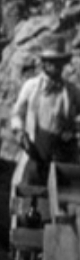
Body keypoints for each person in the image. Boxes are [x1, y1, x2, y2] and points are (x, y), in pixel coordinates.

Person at [9, 34, 80, 228]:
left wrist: (73, 130)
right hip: (34, 150)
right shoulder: (31, 87)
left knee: (60, 200)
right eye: (52, 63)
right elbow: (17, 113)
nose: (56, 68)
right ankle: (22, 235)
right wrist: (19, 132)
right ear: (44, 64)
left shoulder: (71, 91)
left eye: (59, 64)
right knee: (27, 193)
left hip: (60, 153)